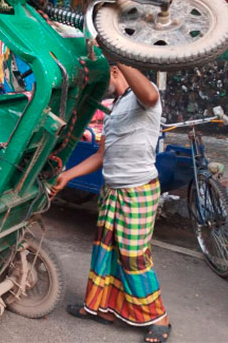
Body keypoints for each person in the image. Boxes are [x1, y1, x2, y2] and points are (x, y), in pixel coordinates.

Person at [50, 62, 172, 343]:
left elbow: (151, 97)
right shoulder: (114, 109)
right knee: (105, 251)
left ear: (117, 70)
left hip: (138, 190)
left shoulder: (145, 95)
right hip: (112, 190)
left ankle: (159, 317)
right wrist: (67, 176)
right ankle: (103, 309)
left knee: (133, 256)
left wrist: (118, 53)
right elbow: (101, 155)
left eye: (106, 71)